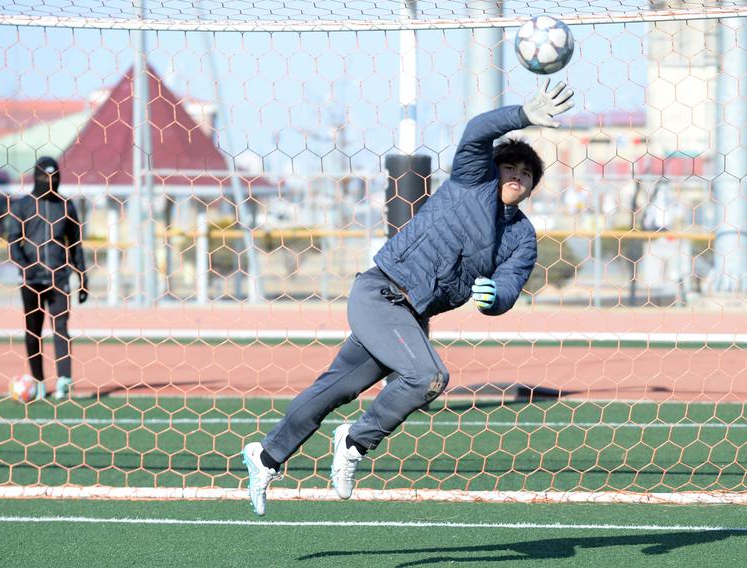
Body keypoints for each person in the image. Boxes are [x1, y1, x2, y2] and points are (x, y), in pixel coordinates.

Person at [241, 80, 575, 516]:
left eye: (527, 175)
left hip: (410, 317)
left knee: (334, 389)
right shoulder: (471, 179)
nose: (517, 177)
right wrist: (522, 116)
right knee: (429, 377)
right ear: (494, 170)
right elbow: (477, 129)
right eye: (511, 168)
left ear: (532, 188)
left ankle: (265, 457)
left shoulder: (522, 236)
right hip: (380, 293)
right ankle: (354, 441)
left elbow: (511, 283)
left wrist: (496, 299)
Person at [7, 156, 88, 400]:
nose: (50, 182)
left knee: (61, 327)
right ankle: (38, 382)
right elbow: (13, 242)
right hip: (32, 280)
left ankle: (64, 380)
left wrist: (83, 277)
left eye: (55, 177)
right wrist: (25, 266)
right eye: (45, 177)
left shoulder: (66, 206)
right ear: (36, 176)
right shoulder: (22, 206)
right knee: (33, 330)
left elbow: (75, 245)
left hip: (59, 276)